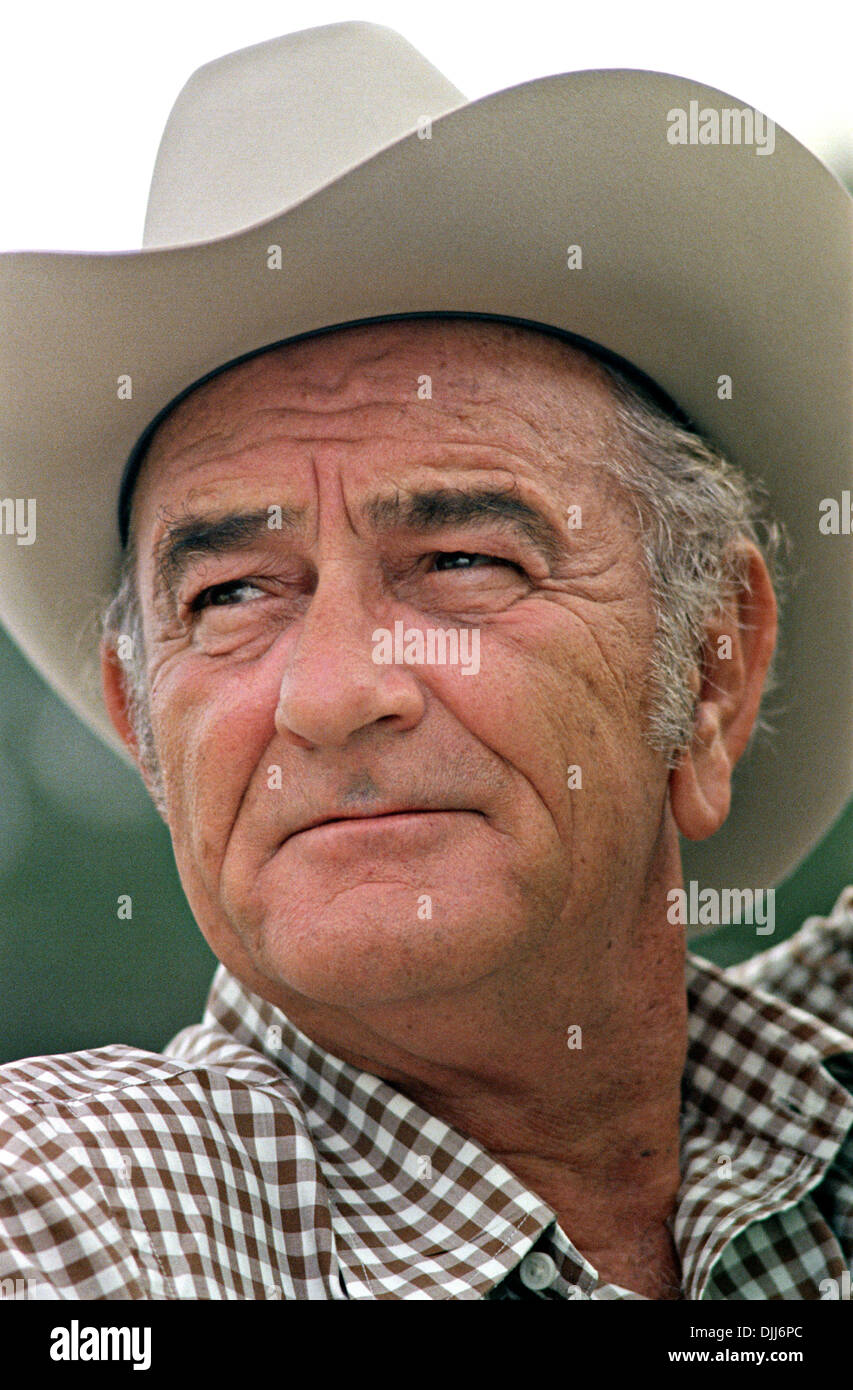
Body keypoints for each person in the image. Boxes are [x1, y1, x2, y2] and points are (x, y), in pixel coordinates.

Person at [0, 23, 850, 1301]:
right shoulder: (72, 1218)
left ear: (712, 669)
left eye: (459, 562)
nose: (335, 693)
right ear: (144, 731)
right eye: (230, 594)